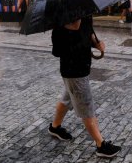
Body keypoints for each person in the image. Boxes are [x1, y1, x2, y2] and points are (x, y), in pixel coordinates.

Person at [49, 16, 121, 158]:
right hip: (72, 71)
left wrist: (97, 44)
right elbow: (57, 51)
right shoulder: (59, 22)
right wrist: (68, 28)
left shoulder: (85, 13)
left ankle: (55, 127)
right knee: (86, 106)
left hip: (83, 67)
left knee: (67, 99)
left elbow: (89, 34)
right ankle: (101, 145)